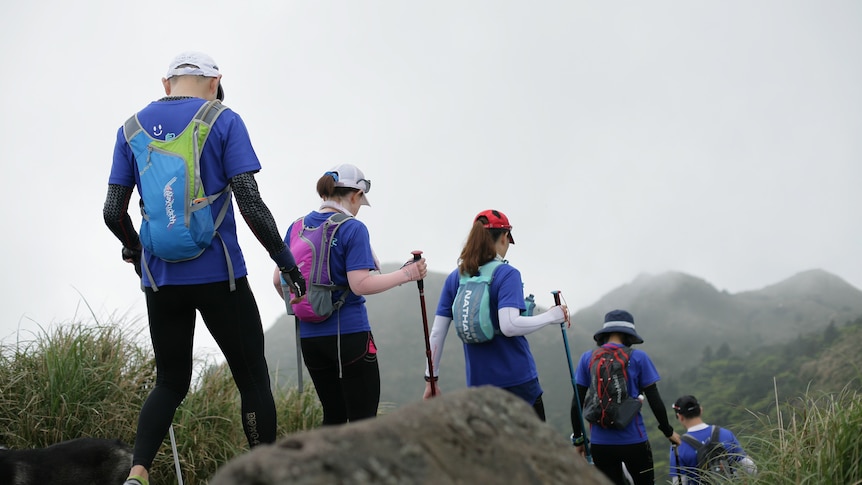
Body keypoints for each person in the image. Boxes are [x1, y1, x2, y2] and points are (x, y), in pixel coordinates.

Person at [104, 51, 305, 485]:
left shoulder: (130, 129)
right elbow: (250, 203)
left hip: (161, 279)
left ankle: (137, 474)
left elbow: (112, 212)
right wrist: (284, 260)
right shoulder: (224, 120)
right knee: (252, 380)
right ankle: (263, 475)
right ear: (215, 82)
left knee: (170, 383)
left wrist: (136, 252)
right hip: (221, 276)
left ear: (166, 83)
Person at [273, 163, 427, 425]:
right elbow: (360, 284)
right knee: (363, 422)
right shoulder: (352, 228)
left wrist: (309, 305)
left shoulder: (296, 227)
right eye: (360, 201)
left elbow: (278, 280)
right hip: (350, 335)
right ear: (355, 195)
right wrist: (408, 274)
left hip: (310, 339)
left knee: (333, 416)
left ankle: (324, 466)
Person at [422, 209, 568, 420]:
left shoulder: (456, 277)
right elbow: (509, 326)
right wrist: (552, 316)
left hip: (479, 385)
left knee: (494, 451)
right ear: (504, 237)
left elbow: (436, 333)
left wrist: (431, 380)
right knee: (532, 450)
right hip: (519, 382)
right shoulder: (507, 273)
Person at [570, 309, 681, 485]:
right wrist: (668, 431)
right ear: (628, 335)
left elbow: (576, 404)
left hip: (600, 444)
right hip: (634, 441)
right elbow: (655, 401)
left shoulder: (587, 358)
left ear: (605, 334)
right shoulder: (639, 357)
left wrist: (579, 440)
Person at [670, 395, 757, 484]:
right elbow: (750, 467)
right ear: (701, 410)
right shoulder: (725, 434)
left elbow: (679, 482)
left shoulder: (678, 445)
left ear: (680, 417)